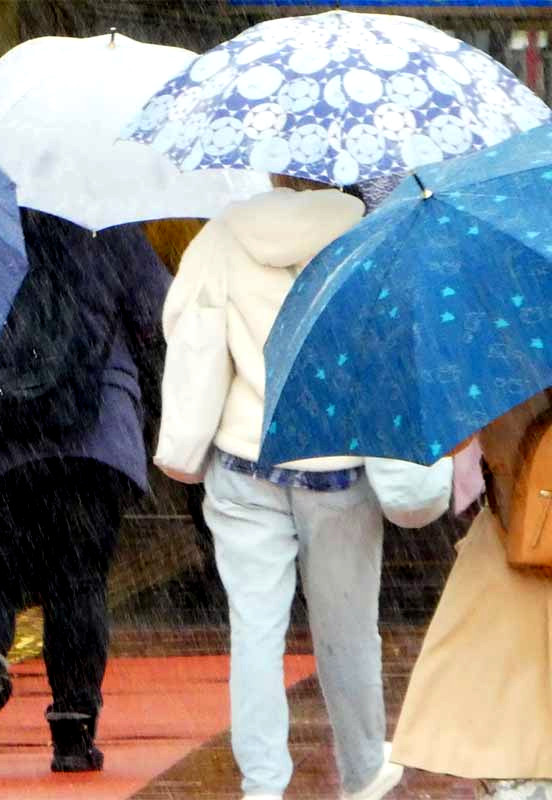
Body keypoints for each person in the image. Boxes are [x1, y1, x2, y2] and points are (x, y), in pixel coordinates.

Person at [155, 176, 450, 800]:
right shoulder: (370, 241)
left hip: (244, 462)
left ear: (274, 172)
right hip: (338, 466)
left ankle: (263, 784)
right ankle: (363, 770)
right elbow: (396, 356)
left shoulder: (221, 237)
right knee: (347, 631)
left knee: (255, 631)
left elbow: (186, 336)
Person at [0, 209, 169, 772]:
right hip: (89, 434)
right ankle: (73, 729)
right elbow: (160, 314)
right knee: (78, 579)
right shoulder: (103, 216)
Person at [391, 390, 552, 799]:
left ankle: (517, 779)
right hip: (515, 541)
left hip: (517, 532)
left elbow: (444, 440)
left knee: (506, 711)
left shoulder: (487, 351)